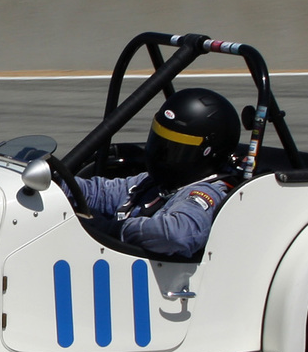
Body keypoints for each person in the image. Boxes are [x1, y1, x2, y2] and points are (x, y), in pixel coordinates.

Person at [77, 86, 242, 260]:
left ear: (209, 152)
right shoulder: (153, 183)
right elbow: (99, 192)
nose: (160, 154)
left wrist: (114, 229)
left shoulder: (205, 193)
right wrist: (55, 184)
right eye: (160, 140)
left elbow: (176, 236)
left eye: (175, 148)